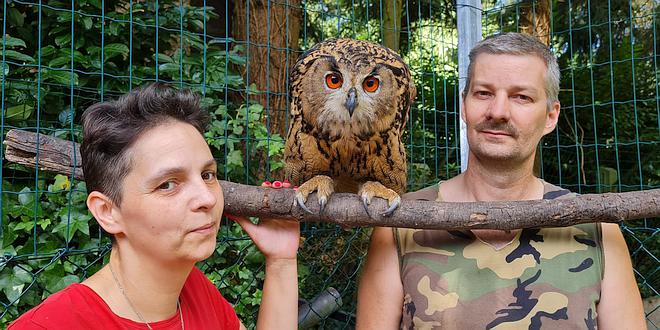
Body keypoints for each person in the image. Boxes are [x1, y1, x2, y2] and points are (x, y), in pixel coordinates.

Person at [356, 33, 645, 329]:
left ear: (550, 116)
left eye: (522, 97)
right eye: (483, 93)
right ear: (463, 105)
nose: (498, 112)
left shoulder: (596, 228)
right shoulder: (400, 223)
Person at [9, 83, 300, 329]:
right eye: (168, 184)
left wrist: (282, 262)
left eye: (207, 175)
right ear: (107, 212)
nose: (208, 198)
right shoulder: (56, 324)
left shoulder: (197, 293)